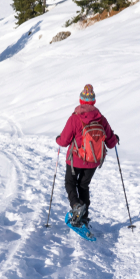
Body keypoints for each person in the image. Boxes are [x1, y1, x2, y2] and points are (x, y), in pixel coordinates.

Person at [55, 84, 118, 226]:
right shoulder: (101, 119)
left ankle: (76, 207)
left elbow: (64, 141)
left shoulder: (75, 118)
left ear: (81, 100)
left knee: (70, 182)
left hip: (75, 160)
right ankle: (83, 217)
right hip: (93, 160)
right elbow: (111, 143)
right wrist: (116, 139)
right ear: (93, 101)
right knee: (83, 186)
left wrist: (58, 139)